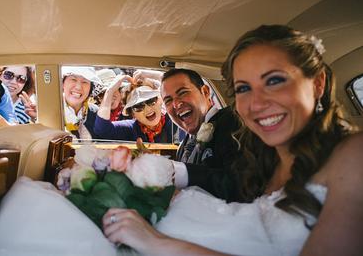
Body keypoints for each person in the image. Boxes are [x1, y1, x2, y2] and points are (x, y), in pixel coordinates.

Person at [100, 25, 363, 255]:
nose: (257, 103)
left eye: (274, 80)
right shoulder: (265, 159)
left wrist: (157, 243)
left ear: (317, 84)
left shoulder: (353, 155)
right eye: (244, 89)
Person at [160, 68, 243, 201]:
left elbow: (241, 186)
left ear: (205, 92)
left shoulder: (233, 121)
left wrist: (180, 172)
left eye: (183, 93)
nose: (176, 104)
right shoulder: (185, 146)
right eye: (168, 101)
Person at [94, 74, 180, 143]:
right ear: (133, 114)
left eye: (151, 100)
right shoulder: (131, 128)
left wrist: (152, 75)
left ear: (160, 101)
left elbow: (179, 85)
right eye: (138, 106)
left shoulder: (175, 119)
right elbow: (102, 130)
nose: (147, 108)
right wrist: (110, 90)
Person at [62, 66, 102, 139]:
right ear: (62, 83)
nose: (78, 87)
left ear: (91, 88)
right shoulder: (50, 109)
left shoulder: (97, 113)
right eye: (73, 79)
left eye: (84, 82)